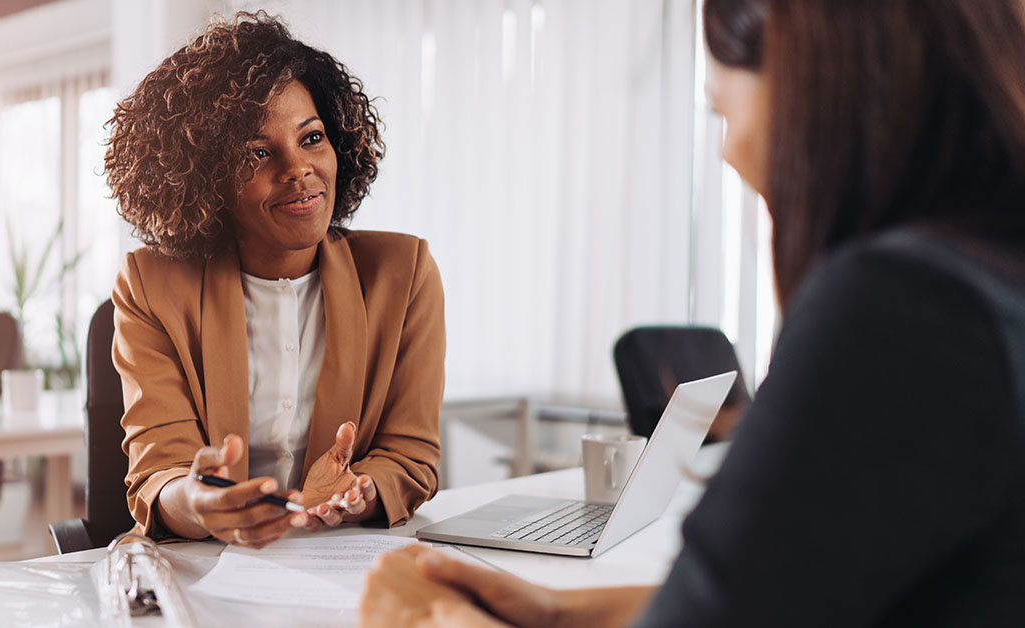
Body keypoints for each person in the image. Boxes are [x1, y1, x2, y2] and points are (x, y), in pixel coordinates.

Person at [360, 0, 1025, 625]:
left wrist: (432, 616)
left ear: (816, 86)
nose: (728, 151)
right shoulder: (987, 276)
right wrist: (556, 612)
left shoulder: (900, 307)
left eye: (723, 110)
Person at [105, 12, 445, 548]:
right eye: (258, 153)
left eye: (311, 138)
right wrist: (202, 504)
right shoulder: (151, 284)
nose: (297, 168)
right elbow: (160, 472)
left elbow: (411, 454)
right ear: (205, 177)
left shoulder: (403, 274)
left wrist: (358, 493)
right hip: (204, 568)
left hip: (344, 565)